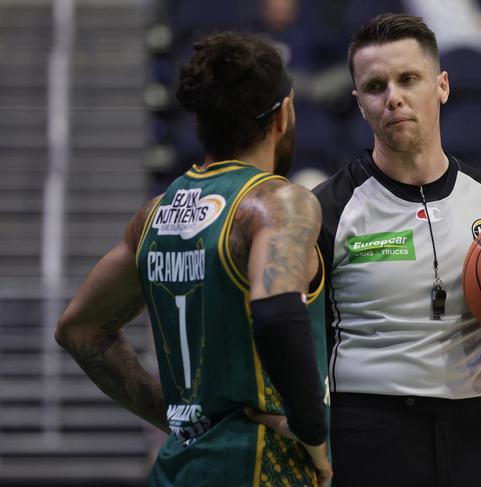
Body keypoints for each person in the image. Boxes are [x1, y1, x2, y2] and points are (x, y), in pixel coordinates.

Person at [313, 13, 481, 486]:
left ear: (441, 85)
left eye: (408, 79)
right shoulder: (327, 210)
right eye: (376, 86)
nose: (393, 96)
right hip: (367, 434)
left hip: (475, 432)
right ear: (360, 104)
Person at [55, 31, 332, 487]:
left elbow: (79, 330)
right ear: (284, 115)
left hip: (179, 467)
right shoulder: (278, 204)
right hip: (262, 466)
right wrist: (313, 436)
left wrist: (178, 417)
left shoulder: (155, 215)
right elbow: (277, 312)